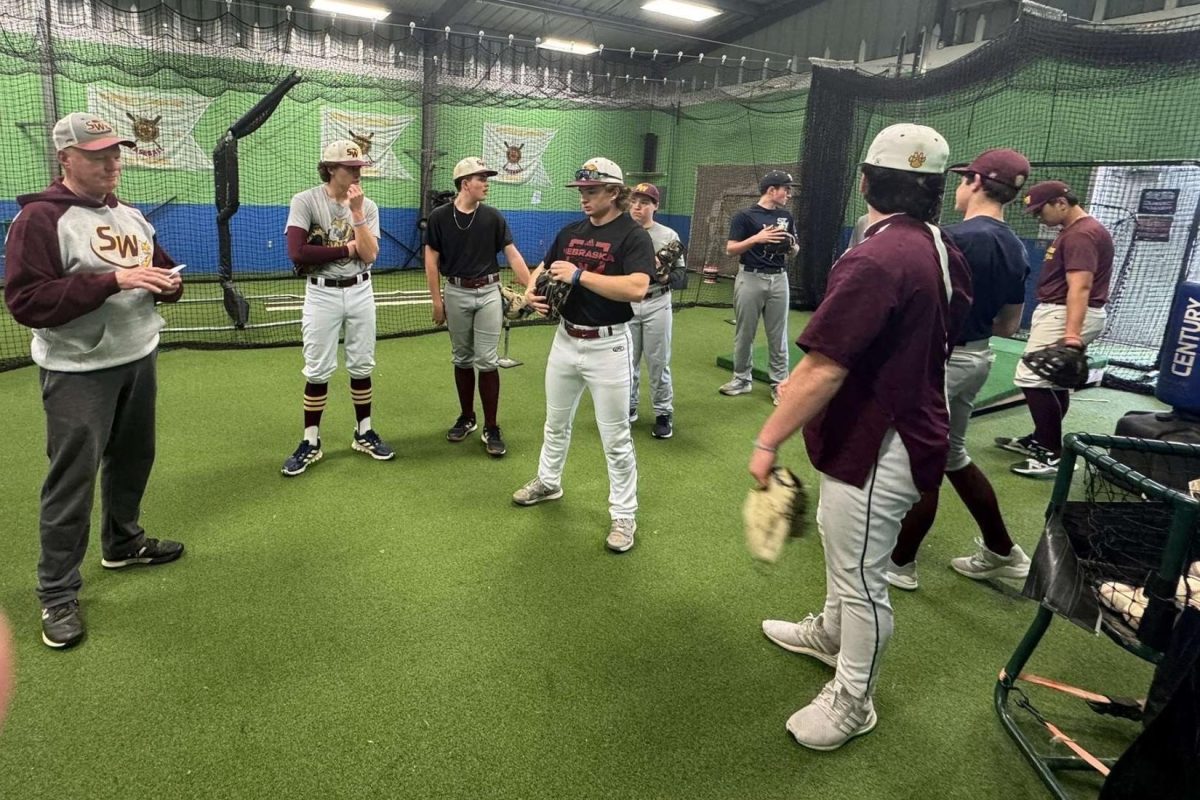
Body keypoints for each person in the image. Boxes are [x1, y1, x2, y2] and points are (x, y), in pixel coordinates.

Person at [753, 124, 971, 750]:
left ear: (868, 181)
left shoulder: (878, 255)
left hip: (884, 436)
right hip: (889, 423)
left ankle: (854, 700)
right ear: (933, 189)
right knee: (840, 546)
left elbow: (827, 365)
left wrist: (768, 440)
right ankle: (828, 635)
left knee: (861, 577)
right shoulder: (935, 243)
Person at [4, 112, 186, 649]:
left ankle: (123, 544)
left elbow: (162, 270)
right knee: (71, 481)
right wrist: (111, 281)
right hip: (78, 370)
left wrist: (166, 285)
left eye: (116, 153)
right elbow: (26, 302)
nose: (112, 163)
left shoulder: (131, 216)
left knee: (134, 458)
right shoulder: (40, 219)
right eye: (97, 154)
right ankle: (56, 592)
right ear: (65, 158)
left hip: (139, 356)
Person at [883, 148, 1033, 591]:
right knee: (952, 455)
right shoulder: (1015, 246)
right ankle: (1002, 550)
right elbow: (1009, 323)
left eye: (963, 179)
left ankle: (900, 564)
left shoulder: (952, 238)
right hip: (980, 358)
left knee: (920, 460)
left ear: (974, 182)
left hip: (941, 362)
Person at [511, 158, 655, 553]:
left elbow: (638, 287)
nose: (584, 198)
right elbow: (543, 269)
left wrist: (579, 275)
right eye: (581, 191)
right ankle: (549, 481)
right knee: (555, 423)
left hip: (609, 345)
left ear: (614, 192)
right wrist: (531, 295)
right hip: (565, 340)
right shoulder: (570, 231)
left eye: (592, 191)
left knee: (616, 438)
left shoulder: (632, 235)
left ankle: (623, 515)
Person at [282, 139, 393, 476]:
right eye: (350, 168)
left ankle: (363, 433)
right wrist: (347, 250)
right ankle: (311, 441)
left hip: (360, 290)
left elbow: (371, 255)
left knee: (362, 364)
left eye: (359, 167)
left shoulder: (367, 206)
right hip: (322, 293)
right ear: (331, 169)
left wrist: (357, 213)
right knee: (317, 369)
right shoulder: (306, 200)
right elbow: (298, 253)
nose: (357, 172)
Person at [998, 180, 1113, 478]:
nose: (1040, 218)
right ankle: (1040, 440)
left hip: (1066, 313)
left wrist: (1072, 334)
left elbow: (1080, 286)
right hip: (1063, 311)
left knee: (1031, 378)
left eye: (1041, 211)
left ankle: (1050, 454)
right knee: (1054, 379)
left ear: (1061, 202)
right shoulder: (1077, 231)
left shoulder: (1082, 235)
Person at [425, 156, 532, 457]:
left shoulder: (493, 217)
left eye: (487, 177)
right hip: (456, 292)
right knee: (461, 358)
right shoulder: (440, 217)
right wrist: (437, 300)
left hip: (488, 293)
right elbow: (431, 261)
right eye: (481, 178)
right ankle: (467, 417)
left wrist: (531, 288)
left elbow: (512, 256)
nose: (486, 183)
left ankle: (492, 425)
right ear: (464, 183)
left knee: (487, 360)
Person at [719, 169, 800, 405]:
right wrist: (758, 238)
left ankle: (779, 384)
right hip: (750, 278)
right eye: (786, 189)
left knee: (778, 334)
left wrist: (791, 245)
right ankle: (742, 379)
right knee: (745, 332)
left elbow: (795, 250)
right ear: (771, 190)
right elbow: (730, 249)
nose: (789, 194)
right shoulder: (744, 216)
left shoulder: (786, 217)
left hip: (779, 279)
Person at [627, 182, 687, 439]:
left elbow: (682, 276)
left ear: (655, 206)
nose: (638, 207)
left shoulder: (668, 235)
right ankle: (627, 408)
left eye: (645, 202)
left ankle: (663, 412)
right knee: (626, 362)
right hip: (627, 302)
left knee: (658, 361)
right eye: (634, 202)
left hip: (657, 302)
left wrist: (663, 276)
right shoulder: (621, 233)